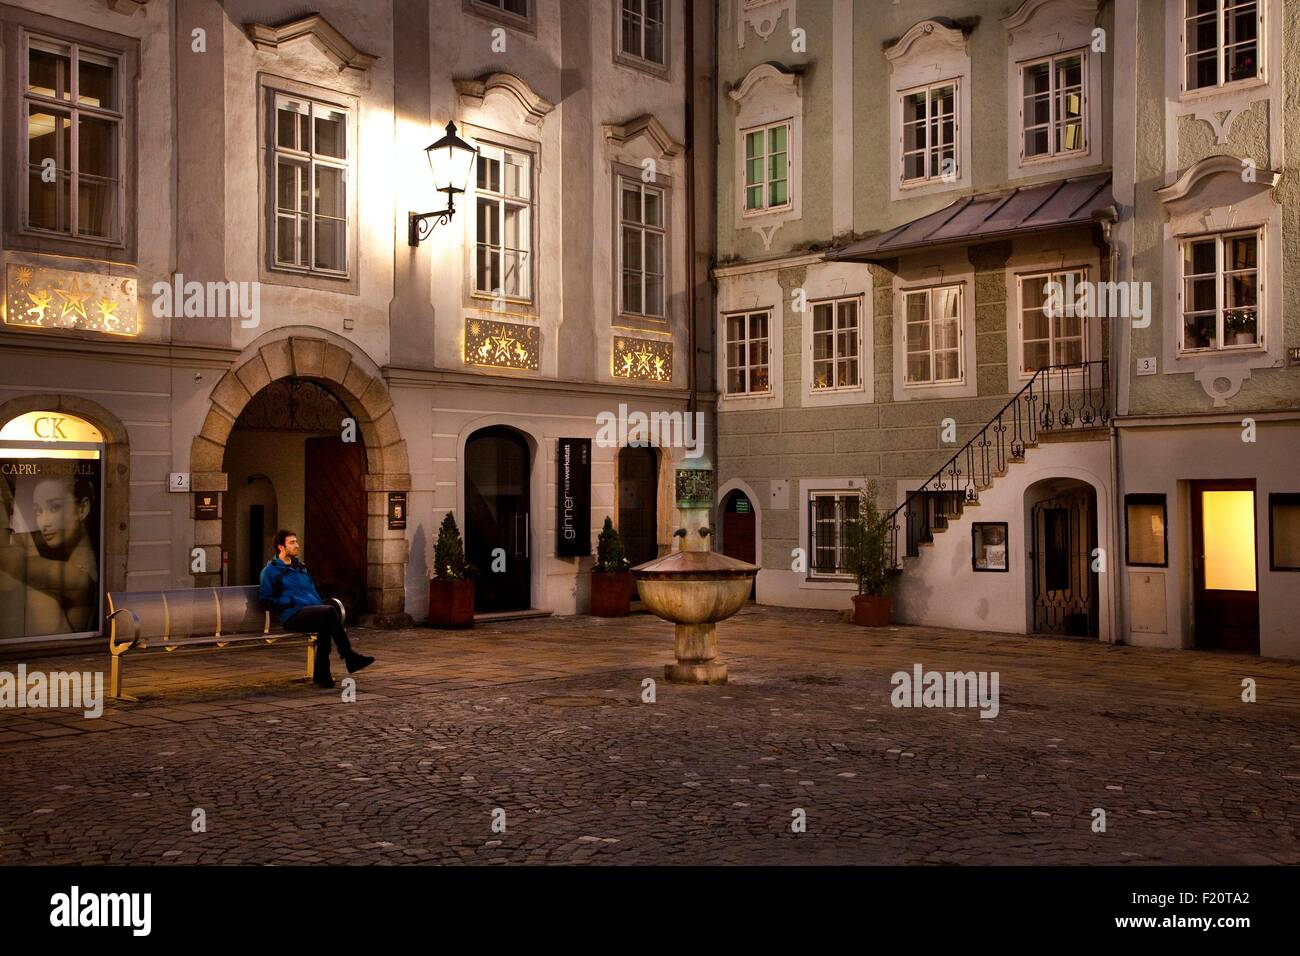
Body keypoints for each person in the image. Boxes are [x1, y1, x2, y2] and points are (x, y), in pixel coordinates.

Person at [259, 529, 373, 688]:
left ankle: (323, 676)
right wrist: (290, 601)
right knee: (329, 612)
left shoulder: (301, 568)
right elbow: (265, 601)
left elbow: (310, 590)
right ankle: (349, 656)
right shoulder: (270, 572)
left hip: (310, 612)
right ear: (280, 547)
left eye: (296, 541)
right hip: (292, 616)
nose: (297, 545)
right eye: (292, 543)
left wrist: (317, 603)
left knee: (326, 626)